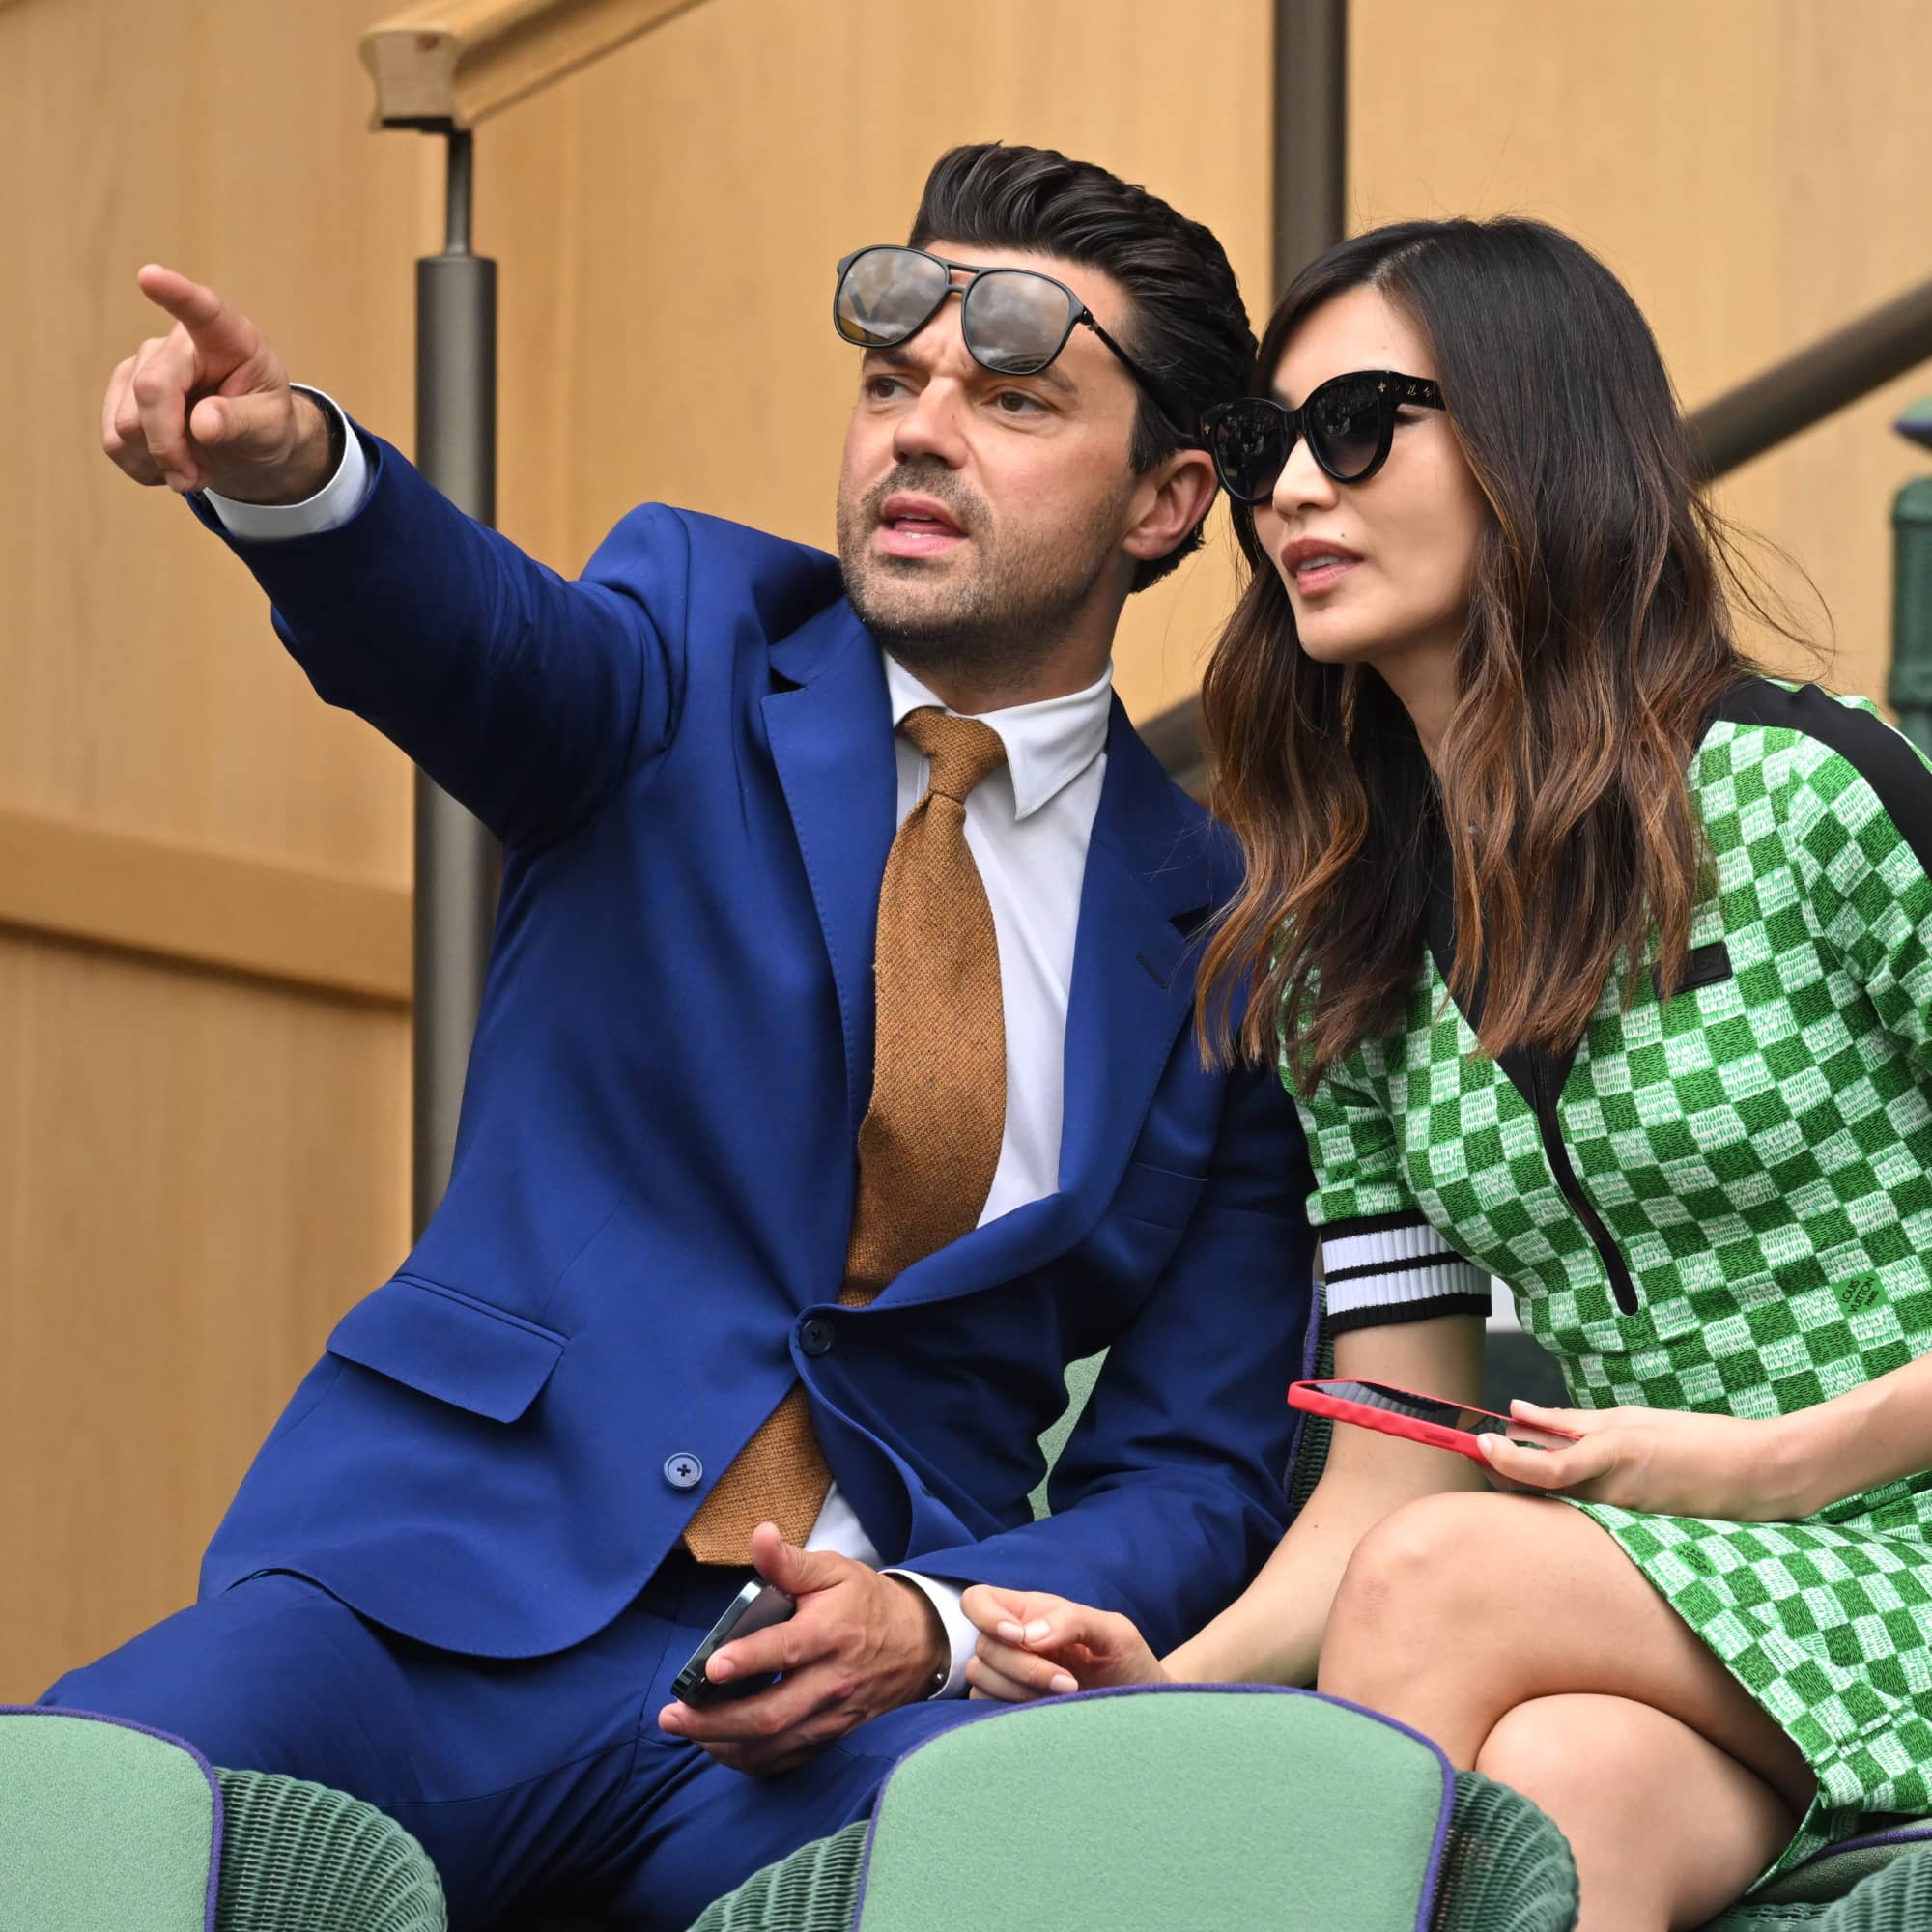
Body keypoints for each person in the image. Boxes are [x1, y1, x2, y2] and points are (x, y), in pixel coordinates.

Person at [52, 143, 1317, 1930]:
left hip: (841, 1718)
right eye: (890, 383)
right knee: (79, 1829)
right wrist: (301, 476)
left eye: (1013, 400)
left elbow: (1190, 1467)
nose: (919, 432)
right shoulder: (697, 638)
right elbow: (475, 639)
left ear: (1168, 501)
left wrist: (938, 1625)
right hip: (421, 1607)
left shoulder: (1229, 947)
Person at [961, 215, 1932, 1932]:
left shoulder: (1811, 799)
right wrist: (1170, 1696)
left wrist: (1771, 1463)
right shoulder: (1354, 955)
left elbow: (1433, 1550)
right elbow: (1394, 1461)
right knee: (1564, 1790)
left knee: (1453, 1576)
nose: (1291, 492)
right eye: (1264, 445)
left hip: (1876, 1541)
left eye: (1357, 429)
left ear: (1533, 441)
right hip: (1709, 1592)